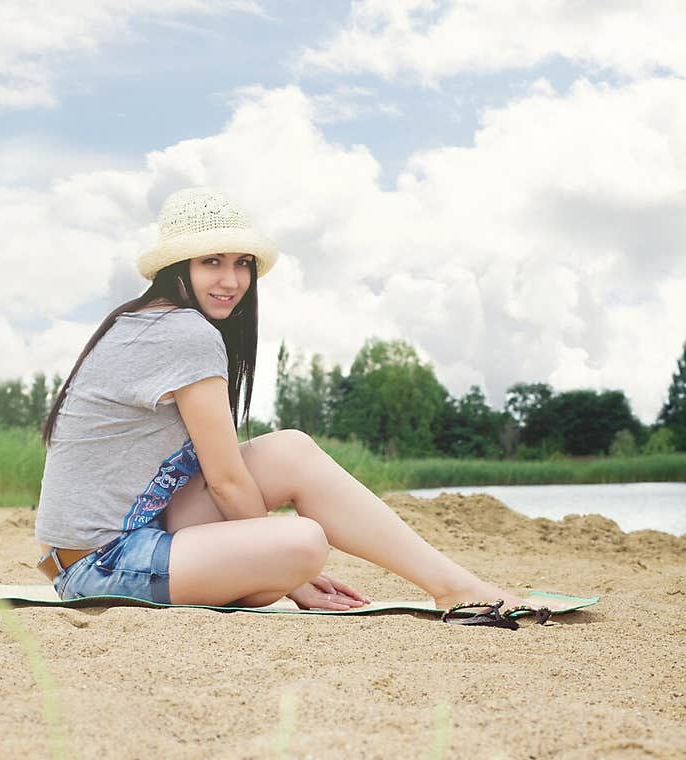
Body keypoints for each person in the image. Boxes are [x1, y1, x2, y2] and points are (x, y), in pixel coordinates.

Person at [35, 186, 557, 616]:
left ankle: (451, 583)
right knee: (304, 544)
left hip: (127, 538)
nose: (231, 280)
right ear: (178, 268)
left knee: (290, 449)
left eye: (241, 264)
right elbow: (226, 479)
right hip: (100, 565)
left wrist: (275, 564)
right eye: (211, 262)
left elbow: (227, 474)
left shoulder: (146, 320)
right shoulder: (183, 332)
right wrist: (293, 575)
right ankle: (441, 583)